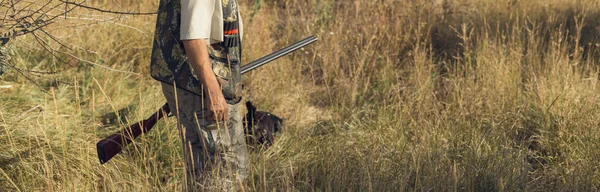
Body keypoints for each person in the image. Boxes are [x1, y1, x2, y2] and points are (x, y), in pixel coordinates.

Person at [149, 0, 247, 190]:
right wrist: (214, 92)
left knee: (200, 166)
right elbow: (193, 39)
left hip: (186, 84)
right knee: (227, 166)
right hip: (200, 88)